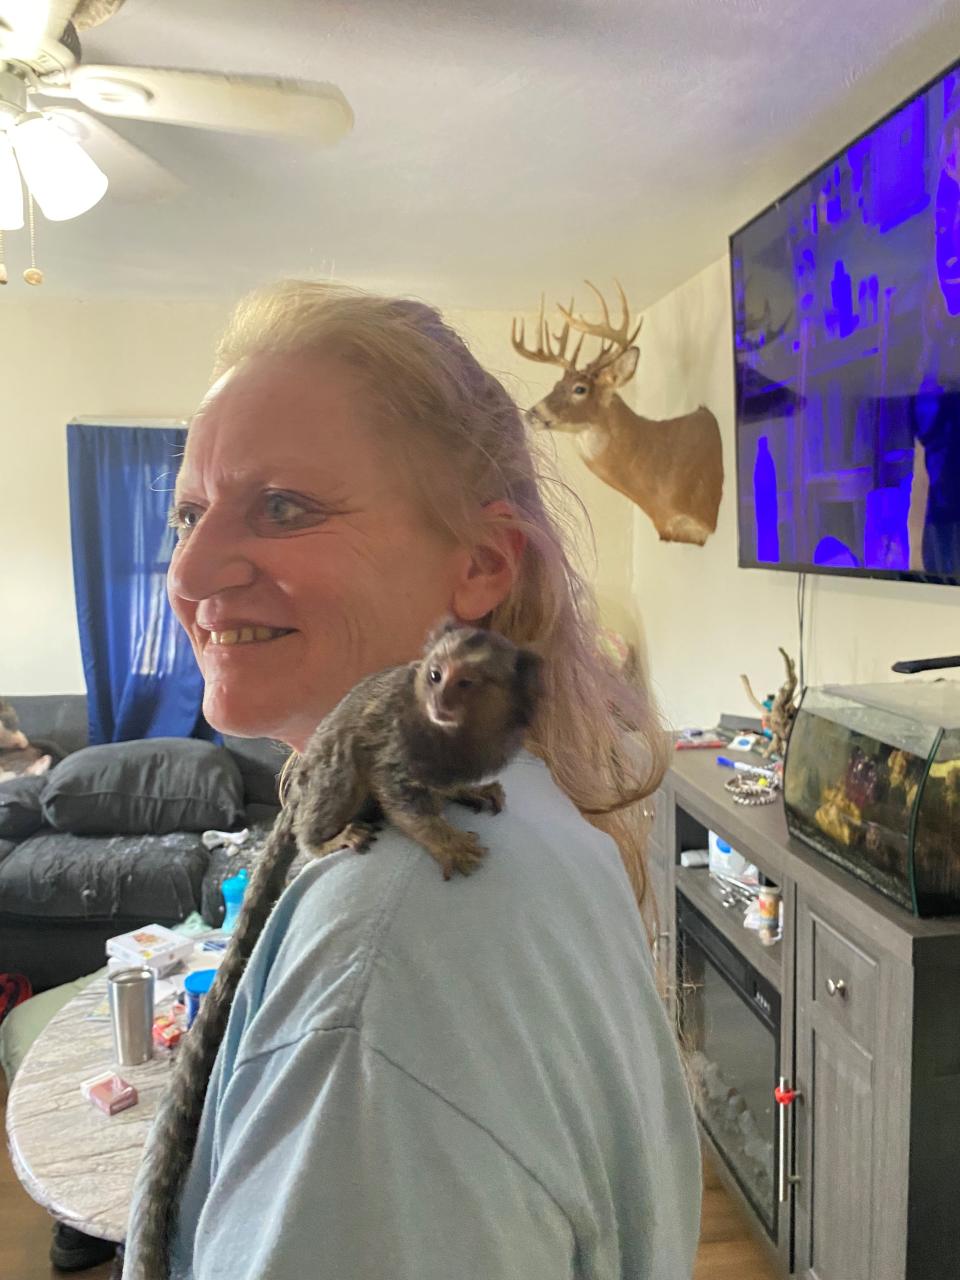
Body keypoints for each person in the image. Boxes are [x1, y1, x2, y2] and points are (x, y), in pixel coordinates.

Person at [122, 281, 701, 1279]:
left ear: (480, 564)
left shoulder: (383, 949)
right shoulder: (531, 795)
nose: (191, 568)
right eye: (188, 512)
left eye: (285, 506)